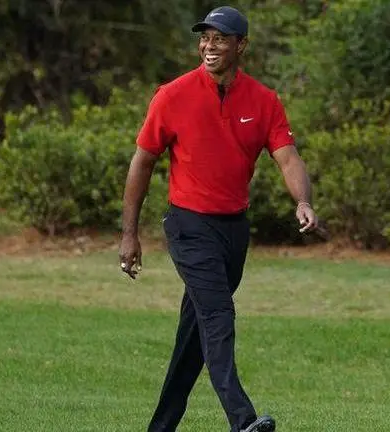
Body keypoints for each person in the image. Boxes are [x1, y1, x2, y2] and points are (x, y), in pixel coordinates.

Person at [117, 6, 319, 432]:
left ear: (241, 45)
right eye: (205, 38)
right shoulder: (172, 96)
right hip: (189, 226)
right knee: (218, 317)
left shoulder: (264, 100)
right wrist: (129, 234)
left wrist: (303, 201)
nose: (209, 46)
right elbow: (142, 163)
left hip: (233, 231)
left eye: (220, 39)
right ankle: (242, 421)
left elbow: (288, 158)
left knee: (195, 338)